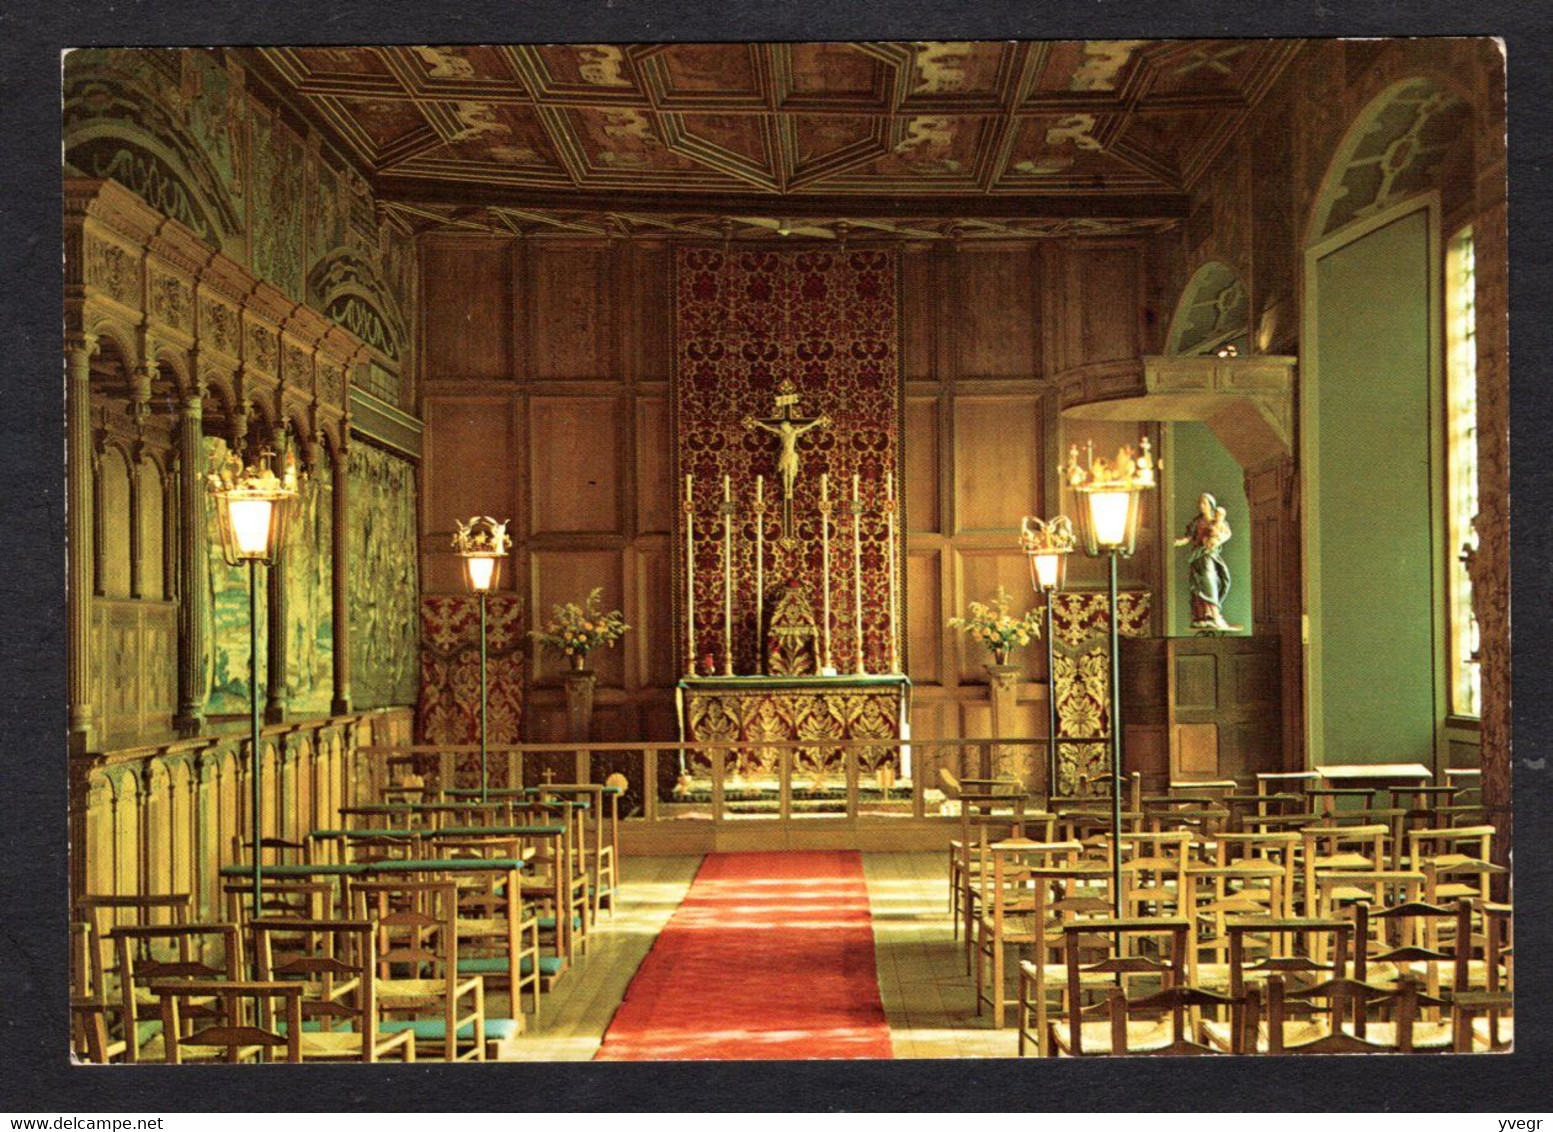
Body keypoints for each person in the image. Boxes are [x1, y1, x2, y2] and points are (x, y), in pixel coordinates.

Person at [1174, 492, 1238, 632]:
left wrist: (1216, 540)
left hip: (1209, 556)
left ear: (1211, 505)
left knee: (1209, 584)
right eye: (1200, 503)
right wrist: (1178, 542)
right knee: (1197, 586)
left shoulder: (1217, 521)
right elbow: (1189, 537)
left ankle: (1214, 615)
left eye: (1204, 503)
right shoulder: (1197, 522)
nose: (1201, 506)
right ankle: (1201, 616)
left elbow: (1225, 534)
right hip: (1197, 558)